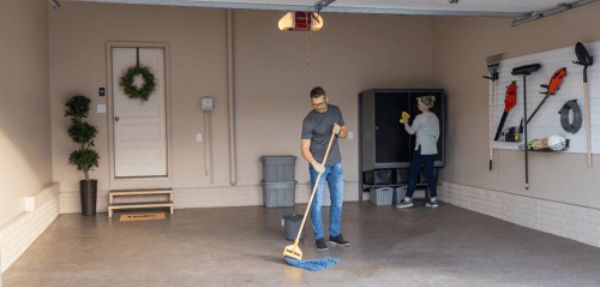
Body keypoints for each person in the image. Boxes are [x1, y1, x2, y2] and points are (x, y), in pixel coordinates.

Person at [301, 86, 351, 251]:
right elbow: (304, 148)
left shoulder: (335, 111)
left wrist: (339, 131)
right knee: (317, 203)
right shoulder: (309, 120)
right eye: (315, 104)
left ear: (326, 99)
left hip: (336, 163)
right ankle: (319, 238)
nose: (318, 107)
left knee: (337, 200)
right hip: (318, 166)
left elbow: (344, 132)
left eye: (321, 103)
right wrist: (315, 164)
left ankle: (335, 235)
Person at [397, 96, 440, 209]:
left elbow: (411, 131)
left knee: (413, 173)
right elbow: (437, 134)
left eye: (418, 104)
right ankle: (434, 199)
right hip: (432, 149)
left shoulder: (420, 117)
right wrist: (431, 144)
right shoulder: (435, 117)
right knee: (430, 173)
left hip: (421, 149)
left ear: (422, 106)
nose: (417, 105)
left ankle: (408, 199)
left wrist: (405, 122)